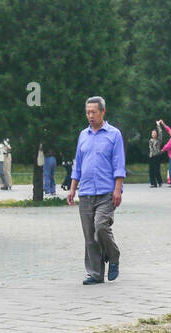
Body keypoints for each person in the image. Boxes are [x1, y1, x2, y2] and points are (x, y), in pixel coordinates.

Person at [66, 95, 125, 286]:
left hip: (107, 192)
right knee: (89, 235)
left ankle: (113, 256)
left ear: (103, 112)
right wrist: (72, 189)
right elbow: (78, 164)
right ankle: (96, 273)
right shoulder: (84, 135)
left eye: (94, 112)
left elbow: (119, 164)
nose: (90, 116)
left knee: (101, 227)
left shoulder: (114, 134)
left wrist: (118, 189)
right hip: (86, 192)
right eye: (87, 112)